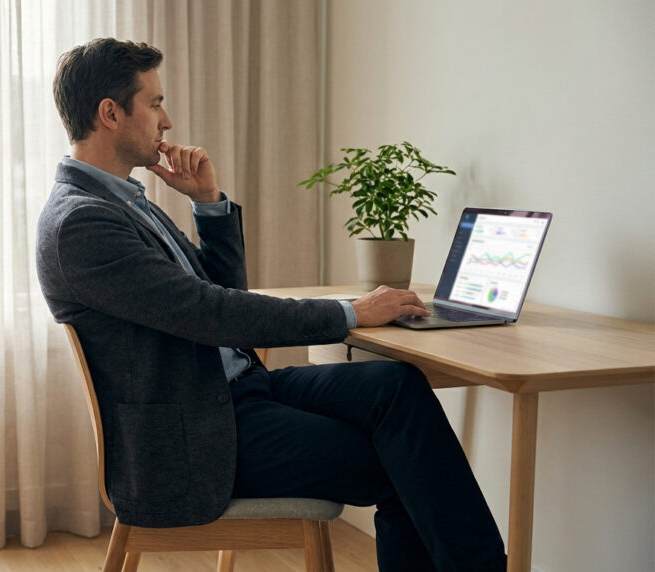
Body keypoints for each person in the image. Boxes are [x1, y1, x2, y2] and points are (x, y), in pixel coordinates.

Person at [36, 37, 506, 572]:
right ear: (110, 113)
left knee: (397, 387)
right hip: (199, 438)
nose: (166, 120)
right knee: (405, 462)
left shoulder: (123, 201)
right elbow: (212, 314)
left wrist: (208, 203)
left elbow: (223, 297)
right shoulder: (83, 223)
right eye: (155, 103)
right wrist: (352, 313)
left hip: (235, 393)